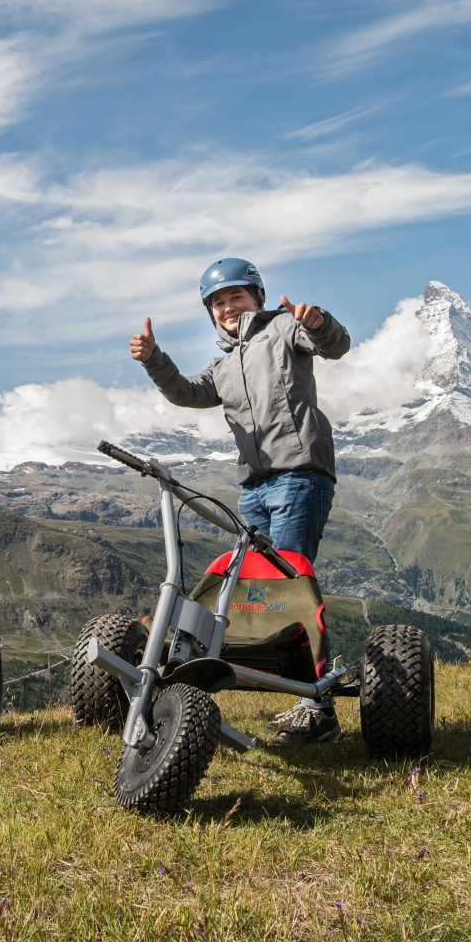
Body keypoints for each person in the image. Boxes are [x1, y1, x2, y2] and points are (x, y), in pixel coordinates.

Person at [129, 256, 351, 742]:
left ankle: (317, 709)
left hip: (300, 475)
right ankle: (228, 685)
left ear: (257, 298)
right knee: (248, 587)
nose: (228, 307)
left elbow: (336, 345)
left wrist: (317, 321)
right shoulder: (223, 364)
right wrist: (153, 360)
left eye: (236, 296)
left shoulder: (284, 331)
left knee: (291, 586)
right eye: (217, 302)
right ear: (210, 312)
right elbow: (186, 393)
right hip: (254, 487)